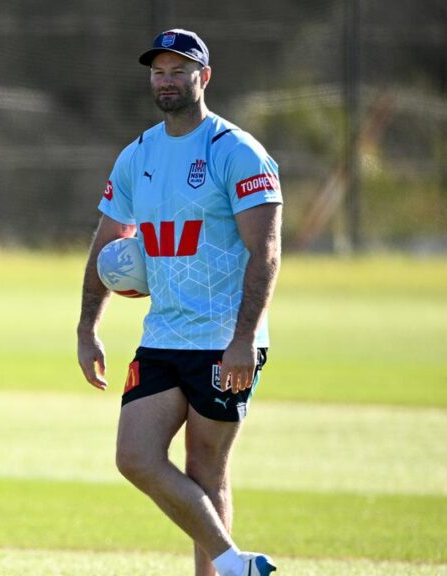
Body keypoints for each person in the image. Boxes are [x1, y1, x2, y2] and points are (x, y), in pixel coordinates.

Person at [77, 29, 282, 576]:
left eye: (179, 71)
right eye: (159, 72)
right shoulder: (138, 152)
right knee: (135, 457)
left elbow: (265, 253)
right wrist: (87, 326)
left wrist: (244, 339)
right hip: (163, 334)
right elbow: (107, 241)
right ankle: (234, 563)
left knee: (205, 466)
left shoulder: (235, 150)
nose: (167, 81)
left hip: (222, 340)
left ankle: (217, 571)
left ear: (203, 78)